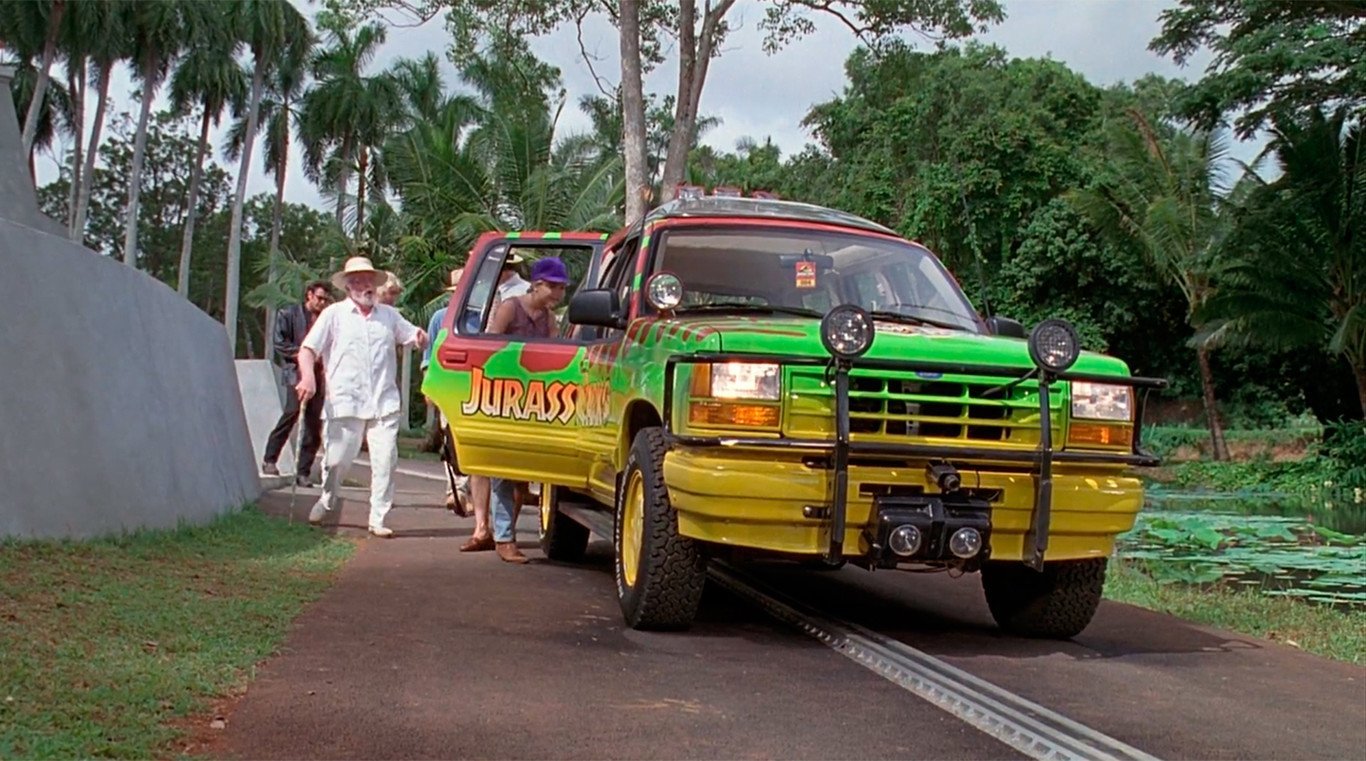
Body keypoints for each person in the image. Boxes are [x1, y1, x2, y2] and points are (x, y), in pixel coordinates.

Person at [296, 256, 428, 538]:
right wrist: (308, 377)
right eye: (358, 281)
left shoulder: (389, 315)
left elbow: (410, 333)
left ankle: (378, 516)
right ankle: (328, 498)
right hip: (344, 402)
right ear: (348, 286)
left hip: (383, 403)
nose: (365, 286)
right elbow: (308, 350)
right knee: (336, 461)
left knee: (385, 461)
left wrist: (419, 336)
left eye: (369, 280)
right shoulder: (334, 315)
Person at [483, 256, 570, 563]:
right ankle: (505, 538)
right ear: (537, 284)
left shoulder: (549, 319)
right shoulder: (511, 307)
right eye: (554, 288)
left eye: (561, 289)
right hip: (503, 396)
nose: (558, 295)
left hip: (533, 401)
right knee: (503, 472)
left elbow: (555, 355)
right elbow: (489, 347)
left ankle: (503, 532)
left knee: (523, 474)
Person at [262, 280, 332, 485]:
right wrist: (304, 355)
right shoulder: (288, 314)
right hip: (296, 374)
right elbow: (280, 344)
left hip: (319, 377)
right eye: (319, 298)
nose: (322, 303)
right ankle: (270, 458)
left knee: (313, 423)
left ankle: (303, 472)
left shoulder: (326, 320)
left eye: (325, 300)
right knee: (291, 413)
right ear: (309, 295)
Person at [424, 267, 470, 513]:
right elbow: (428, 357)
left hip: (474, 387)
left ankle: (467, 490)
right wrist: (428, 389)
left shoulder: (482, 317)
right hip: (447, 388)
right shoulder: (439, 319)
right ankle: (457, 490)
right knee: (450, 440)